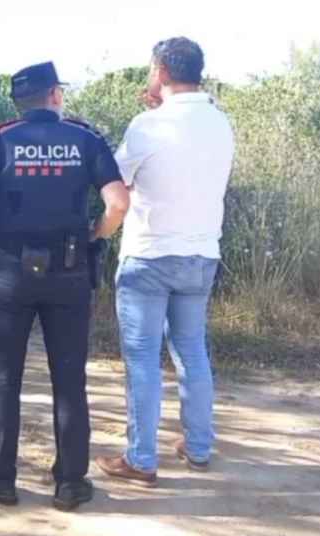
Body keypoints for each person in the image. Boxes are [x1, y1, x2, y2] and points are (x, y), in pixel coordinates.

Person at [0, 62, 130, 511]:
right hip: (69, 272)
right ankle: (70, 483)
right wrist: (97, 235)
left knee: (4, 377)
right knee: (69, 379)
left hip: (9, 272)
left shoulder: (0, 140)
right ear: (54, 95)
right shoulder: (85, 139)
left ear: (19, 102)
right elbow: (118, 203)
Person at [95, 37, 236, 486]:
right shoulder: (221, 123)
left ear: (160, 71)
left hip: (151, 253)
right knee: (192, 350)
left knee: (142, 359)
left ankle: (141, 457)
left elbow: (118, 186)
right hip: (201, 254)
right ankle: (197, 447)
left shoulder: (147, 125)